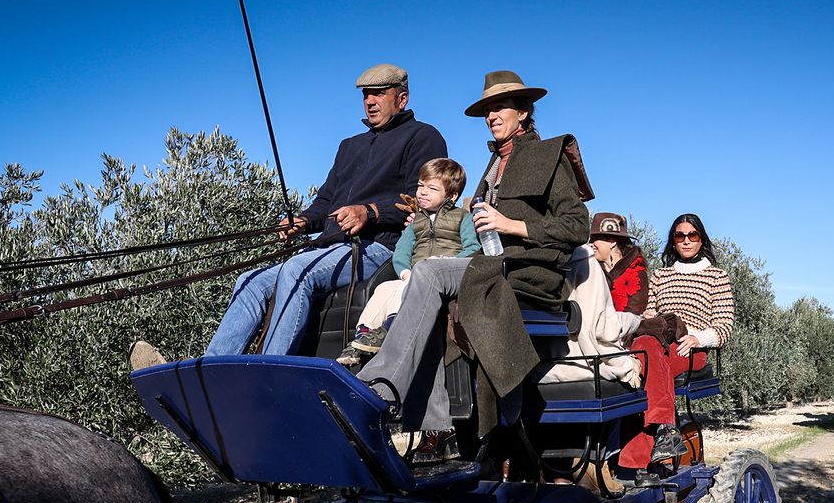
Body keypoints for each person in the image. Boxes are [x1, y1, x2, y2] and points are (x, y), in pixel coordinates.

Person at [131, 64, 447, 369]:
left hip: (378, 247)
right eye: (366, 94)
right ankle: (212, 372)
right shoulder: (349, 146)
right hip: (330, 247)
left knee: (297, 270)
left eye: (379, 93)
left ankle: (265, 371)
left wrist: (371, 212)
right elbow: (326, 201)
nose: (370, 101)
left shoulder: (422, 137)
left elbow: (421, 199)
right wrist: (303, 221)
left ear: (401, 98)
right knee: (250, 281)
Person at [358, 70, 592, 463]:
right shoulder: (493, 164)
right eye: (487, 110)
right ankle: (438, 430)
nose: (491, 116)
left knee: (430, 272)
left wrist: (511, 225)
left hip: (528, 273)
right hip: (488, 266)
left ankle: (380, 388)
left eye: (500, 107)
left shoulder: (549, 155)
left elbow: (577, 226)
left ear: (523, 112)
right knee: (426, 286)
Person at [617, 213, 734, 477]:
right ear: (673, 241)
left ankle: (634, 463)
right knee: (644, 347)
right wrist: (647, 315)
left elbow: (725, 326)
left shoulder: (717, 277)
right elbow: (646, 311)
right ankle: (666, 431)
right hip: (656, 340)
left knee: (648, 361)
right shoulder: (661, 275)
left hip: (689, 348)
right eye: (680, 236)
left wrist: (698, 339)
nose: (686, 241)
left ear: (701, 239)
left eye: (692, 235)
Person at [336, 158, 479, 366]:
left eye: (432, 188)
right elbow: (402, 251)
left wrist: (449, 260)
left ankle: (391, 328)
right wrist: (405, 272)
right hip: (415, 275)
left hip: (444, 274)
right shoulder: (416, 222)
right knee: (385, 288)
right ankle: (363, 335)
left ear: (451, 196)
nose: (422, 192)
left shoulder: (462, 217)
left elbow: (473, 248)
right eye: (420, 186)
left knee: (406, 287)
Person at [588, 212, 648, 314]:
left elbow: (634, 313)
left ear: (612, 242)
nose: (590, 244)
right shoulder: (589, 269)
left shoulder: (637, 273)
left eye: (594, 239)